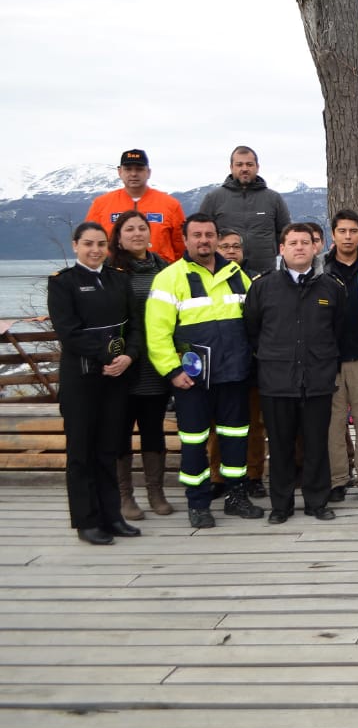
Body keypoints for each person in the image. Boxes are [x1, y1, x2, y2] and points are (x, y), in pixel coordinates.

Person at [146, 213, 261, 528]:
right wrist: (172, 371)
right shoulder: (169, 278)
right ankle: (198, 503)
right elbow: (156, 332)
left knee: (236, 438)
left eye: (209, 235)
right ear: (185, 240)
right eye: (196, 235)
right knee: (195, 441)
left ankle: (236, 496)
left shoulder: (238, 274)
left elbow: (255, 321)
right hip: (191, 380)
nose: (203, 241)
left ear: (217, 238)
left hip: (235, 375)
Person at [48, 221, 143, 545]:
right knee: (81, 454)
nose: (95, 250)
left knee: (109, 450)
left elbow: (135, 326)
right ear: (75, 245)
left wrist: (128, 356)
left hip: (116, 378)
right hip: (82, 380)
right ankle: (87, 521)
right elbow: (68, 332)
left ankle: (112, 516)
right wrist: (107, 357)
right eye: (88, 243)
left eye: (101, 244)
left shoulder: (118, 279)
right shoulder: (63, 284)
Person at [245, 224, 346, 523]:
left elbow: (337, 329)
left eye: (305, 242)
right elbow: (252, 330)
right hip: (277, 380)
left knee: (317, 444)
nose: (300, 247)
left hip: (317, 378)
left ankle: (317, 501)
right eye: (293, 242)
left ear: (315, 248)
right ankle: (281, 505)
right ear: (282, 249)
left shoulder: (331, 286)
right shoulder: (263, 286)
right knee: (280, 446)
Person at [107, 210, 173, 519]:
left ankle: (155, 492)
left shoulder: (165, 269)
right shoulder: (110, 270)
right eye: (129, 229)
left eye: (142, 228)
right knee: (120, 430)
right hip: (122, 364)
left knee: (152, 429)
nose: (137, 233)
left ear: (150, 233)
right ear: (118, 236)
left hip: (155, 362)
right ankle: (124, 496)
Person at [206, 228, 267, 500]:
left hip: (251, 364)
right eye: (224, 247)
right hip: (218, 366)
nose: (231, 251)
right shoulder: (207, 280)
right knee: (218, 425)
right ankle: (217, 477)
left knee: (254, 425)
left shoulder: (256, 280)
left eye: (235, 247)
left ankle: (254, 476)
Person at [324, 210, 358, 503]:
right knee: (334, 423)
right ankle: (338, 479)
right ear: (333, 234)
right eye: (342, 231)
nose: (347, 236)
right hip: (330, 357)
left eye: (353, 231)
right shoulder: (321, 267)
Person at [198, 145, 292, 276]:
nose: (244, 169)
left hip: (264, 271)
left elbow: (285, 234)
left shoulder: (273, 198)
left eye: (249, 164)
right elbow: (203, 233)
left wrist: (269, 251)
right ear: (231, 167)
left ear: (257, 167)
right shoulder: (213, 198)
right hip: (222, 272)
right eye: (239, 164)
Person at [85, 149, 186, 263]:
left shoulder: (170, 205)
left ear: (148, 172)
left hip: (160, 274)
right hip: (114, 273)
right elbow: (90, 241)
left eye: (139, 169)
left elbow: (181, 246)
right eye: (128, 169)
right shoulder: (101, 204)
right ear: (120, 172)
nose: (133, 174)